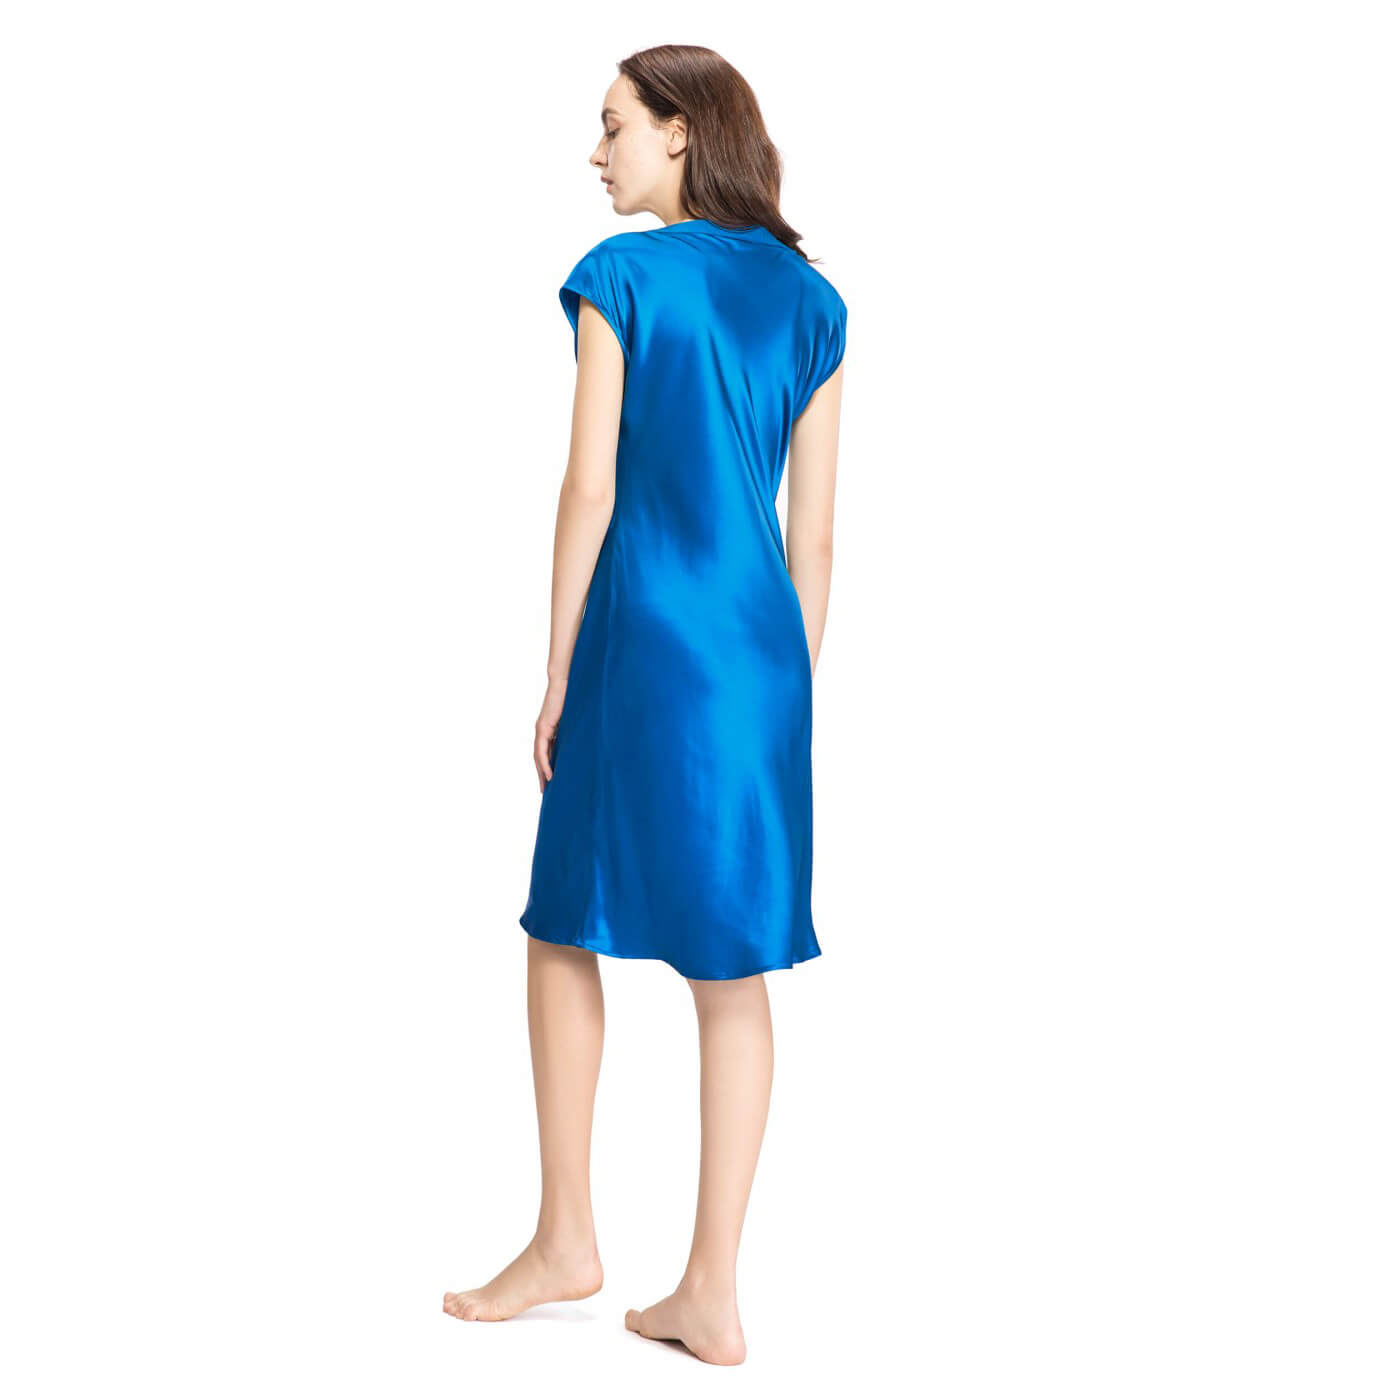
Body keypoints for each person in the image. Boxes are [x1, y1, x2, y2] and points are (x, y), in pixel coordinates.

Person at [444, 44, 846, 1366]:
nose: (596, 150)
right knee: (733, 966)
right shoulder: (814, 300)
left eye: (613, 125)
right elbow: (815, 537)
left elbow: (589, 489)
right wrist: (788, 696)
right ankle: (711, 1293)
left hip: (648, 637)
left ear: (680, 133)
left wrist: (559, 669)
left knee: (564, 918)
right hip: (764, 661)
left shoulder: (622, 274)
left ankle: (568, 1235)